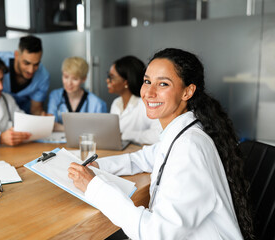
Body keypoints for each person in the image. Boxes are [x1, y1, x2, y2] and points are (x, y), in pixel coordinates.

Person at [68, 48, 254, 240]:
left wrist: (95, 187)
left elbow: (155, 235)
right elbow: (142, 158)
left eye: (163, 84)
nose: (149, 92)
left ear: (187, 91)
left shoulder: (189, 148)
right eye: (147, 81)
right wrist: (97, 166)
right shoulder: (180, 134)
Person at [107, 56, 162, 145]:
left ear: (126, 82)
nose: (107, 80)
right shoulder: (116, 103)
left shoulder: (146, 104)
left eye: (111, 77)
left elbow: (158, 135)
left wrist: (126, 135)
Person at [47, 57, 107, 131]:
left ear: (84, 79)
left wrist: (61, 127)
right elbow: (51, 125)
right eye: (66, 77)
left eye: (75, 79)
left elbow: (99, 130)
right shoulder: (55, 96)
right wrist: (83, 129)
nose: (69, 83)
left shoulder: (97, 104)